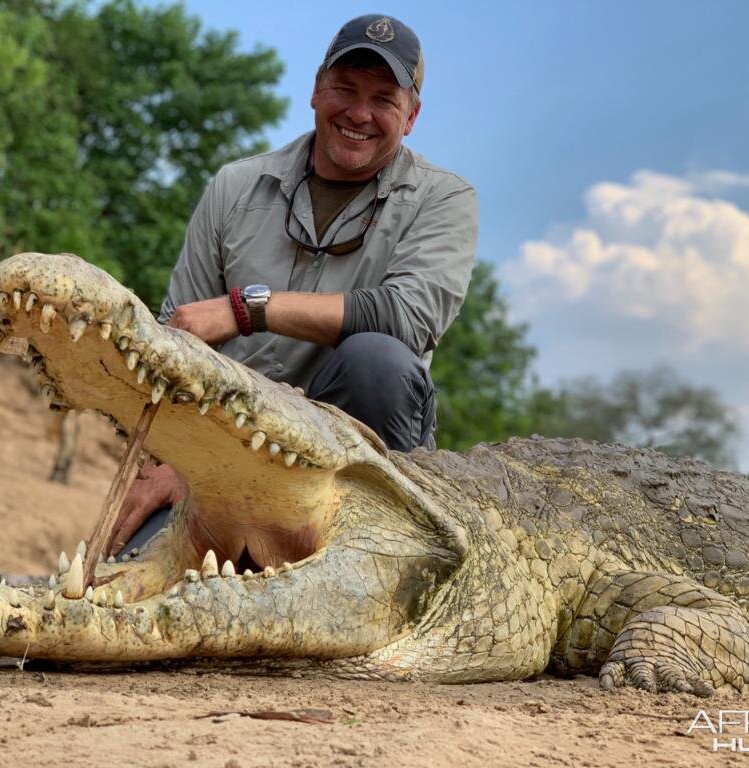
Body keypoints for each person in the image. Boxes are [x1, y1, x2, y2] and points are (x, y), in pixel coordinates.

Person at [108, 14, 478, 555]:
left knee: (379, 360)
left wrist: (246, 309)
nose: (358, 113)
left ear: (412, 116)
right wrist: (177, 466)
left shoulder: (444, 200)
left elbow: (409, 317)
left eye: (383, 99)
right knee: (114, 587)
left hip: (351, 473)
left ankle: (377, 557)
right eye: (345, 90)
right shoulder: (234, 186)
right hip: (219, 459)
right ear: (315, 90)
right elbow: (175, 342)